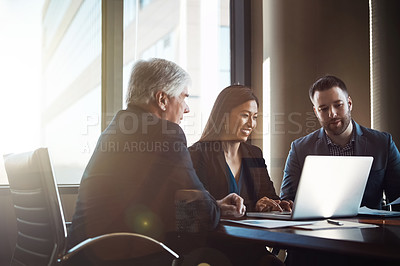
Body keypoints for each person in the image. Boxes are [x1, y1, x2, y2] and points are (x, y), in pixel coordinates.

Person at [67, 58, 245, 265]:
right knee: (220, 258)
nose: (186, 109)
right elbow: (201, 212)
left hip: (83, 253)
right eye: (184, 97)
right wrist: (214, 209)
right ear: (162, 99)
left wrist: (214, 206)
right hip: (121, 257)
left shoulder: (116, 130)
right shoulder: (165, 133)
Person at [280, 75, 400, 211]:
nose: (332, 113)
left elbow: (398, 199)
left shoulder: (382, 143)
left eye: (338, 105)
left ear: (349, 103)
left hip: (371, 230)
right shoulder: (299, 149)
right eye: (324, 109)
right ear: (316, 112)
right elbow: (286, 202)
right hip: (317, 230)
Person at [189, 85, 293, 213]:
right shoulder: (198, 154)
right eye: (245, 115)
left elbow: (269, 196)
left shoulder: (255, 154)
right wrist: (253, 207)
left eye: (254, 117)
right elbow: (200, 207)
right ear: (224, 117)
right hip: (217, 232)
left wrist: (274, 204)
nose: (251, 124)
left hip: (250, 232)